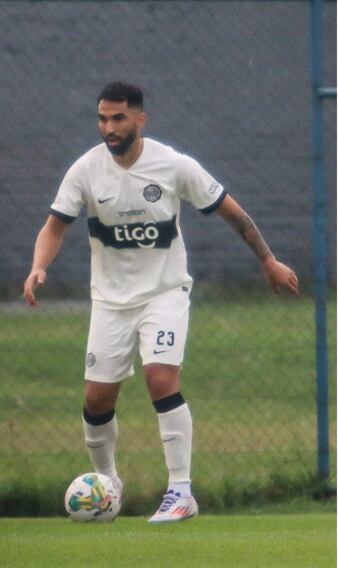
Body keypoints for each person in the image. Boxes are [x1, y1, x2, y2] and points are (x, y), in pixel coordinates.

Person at [23, 82, 299, 524]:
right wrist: (39, 266)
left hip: (164, 294)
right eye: (102, 118)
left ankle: (181, 492)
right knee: (96, 399)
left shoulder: (173, 166)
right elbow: (55, 226)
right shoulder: (85, 170)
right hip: (110, 302)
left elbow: (232, 211)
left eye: (118, 118)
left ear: (140, 120)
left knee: (160, 378)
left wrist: (267, 260)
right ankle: (108, 486)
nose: (108, 128)